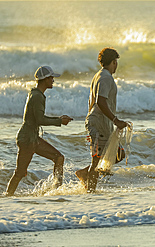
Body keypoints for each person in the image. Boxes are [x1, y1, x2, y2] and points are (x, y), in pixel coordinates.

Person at [6, 66, 73, 196]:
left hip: (31, 138)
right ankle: (7, 196)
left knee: (58, 158)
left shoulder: (35, 93)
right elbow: (40, 120)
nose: (53, 80)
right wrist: (60, 121)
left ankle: (56, 190)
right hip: (28, 139)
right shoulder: (37, 96)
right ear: (45, 79)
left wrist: (59, 119)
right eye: (51, 78)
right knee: (20, 172)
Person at [75, 47, 127, 193]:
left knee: (119, 154)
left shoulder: (99, 75)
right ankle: (91, 193)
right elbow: (100, 102)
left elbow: (93, 102)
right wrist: (115, 120)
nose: (116, 65)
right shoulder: (105, 77)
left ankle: (85, 174)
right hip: (99, 122)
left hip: (101, 123)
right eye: (115, 61)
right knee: (97, 160)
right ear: (113, 62)